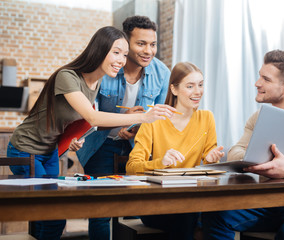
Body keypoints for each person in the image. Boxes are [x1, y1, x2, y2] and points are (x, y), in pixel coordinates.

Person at [6, 26, 175, 240]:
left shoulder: (95, 82)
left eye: (124, 54)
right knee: (52, 214)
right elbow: (93, 117)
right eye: (116, 52)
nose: (122, 60)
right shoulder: (67, 76)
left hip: (50, 152)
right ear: (99, 50)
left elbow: (81, 121)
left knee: (50, 216)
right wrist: (143, 117)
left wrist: (75, 139)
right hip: (24, 149)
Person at [201, 50, 284, 240]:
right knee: (214, 214)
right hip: (267, 200)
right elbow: (236, 151)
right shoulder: (258, 117)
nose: (257, 83)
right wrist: (253, 159)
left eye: (266, 79)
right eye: (259, 77)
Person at [73, 16, 171, 240]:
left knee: (143, 206)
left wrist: (137, 127)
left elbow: (158, 116)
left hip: (139, 146)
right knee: (101, 210)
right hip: (102, 144)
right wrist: (120, 122)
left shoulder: (162, 73)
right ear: (125, 43)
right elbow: (87, 114)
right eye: (141, 44)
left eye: (153, 44)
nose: (148, 51)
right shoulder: (104, 68)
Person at [126, 62, 224, 240]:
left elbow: (210, 165)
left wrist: (211, 158)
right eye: (190, 86)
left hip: (192, 201)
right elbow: (132, 167)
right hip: (156, 204)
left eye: (201, 85)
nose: (198, 91)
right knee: (188, 216)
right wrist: (161, 163)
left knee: (210, 214)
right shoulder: (154, 119)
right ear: (174, 89)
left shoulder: (207, 118)